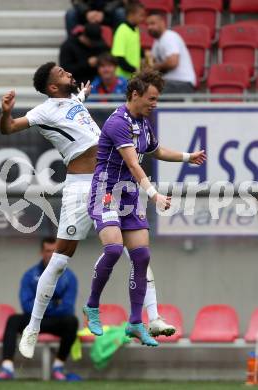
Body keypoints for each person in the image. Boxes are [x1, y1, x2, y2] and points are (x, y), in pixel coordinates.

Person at [0, 62, 175, 360]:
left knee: (139, 252)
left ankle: (153, 316)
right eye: (61, 74)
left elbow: (76, 115)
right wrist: (5, 112)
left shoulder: (74, 101)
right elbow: (9, 129)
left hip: (112, 182)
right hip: (81, 187)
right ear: (52, 87)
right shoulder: (44, 110)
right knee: (59, 260)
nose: (68, 72)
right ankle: (32, 327)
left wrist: (82, 97)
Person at [84, 71, 206, 344]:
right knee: (114, 249)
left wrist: (188, 156)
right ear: (135, 95)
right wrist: (153, 194)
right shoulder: (118, 122)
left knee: (141, 257)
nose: (155, 104)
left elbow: (156, 150)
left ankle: (136, 322)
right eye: (151, 99)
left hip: (128, 196)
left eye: (157, 99)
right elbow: (133, 163)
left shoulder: (143, 122)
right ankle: (92, 305)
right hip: (106, 192)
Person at [0, 237, 80, 381]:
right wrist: (52, 304)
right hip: (33, 320)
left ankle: (58, 367)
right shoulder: (30, 275)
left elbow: (67, 307)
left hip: (55, 321)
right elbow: (26, 304)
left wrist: (42, 305)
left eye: (54, 251)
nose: (51, 254)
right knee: (13, 320)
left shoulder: (69, 277)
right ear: (42, 252)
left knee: (72, 321)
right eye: (48, 251)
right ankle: (7, 368)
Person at [147, 10, 196, 93]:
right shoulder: (157, 42)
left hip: (182, 83)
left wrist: (156, 67)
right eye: (148, 24)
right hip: (170, 83)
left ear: (162, 23)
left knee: (149, 94)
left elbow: (173, 62)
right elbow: (151, 62)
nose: (149, 27)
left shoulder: (169, 37)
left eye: (153, 23)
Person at [111, 1, 146, 79]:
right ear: (131, 14)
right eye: (141, 15)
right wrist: (135, 70)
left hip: (132, 77)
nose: (143, 18)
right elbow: (119, 58)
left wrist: (143, 56)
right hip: (122, 78)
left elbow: (136, 46)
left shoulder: (136, 29)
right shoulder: (122, 30)